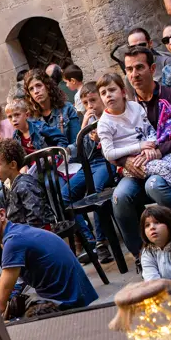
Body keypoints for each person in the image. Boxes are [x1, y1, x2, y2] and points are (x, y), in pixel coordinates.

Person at [113, 46, 171, 259]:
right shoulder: (124, 107)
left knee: (156, 185)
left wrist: (160, 151)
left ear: (152, 68)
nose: (134, 74)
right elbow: (110, 146)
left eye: (139, 67)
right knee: (120, 196)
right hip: (135, 167)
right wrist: (125, 161)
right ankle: (143, 257)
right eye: (129, 69)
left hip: (169, 163)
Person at [97, 71, 171, 225]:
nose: (108, 95)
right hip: (134, 162)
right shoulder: (104, 123)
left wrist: (151, 145)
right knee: (166, 168)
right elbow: (109, 153)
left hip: (150, 153)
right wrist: (139, 147)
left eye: (112, 90)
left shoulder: (135, 107)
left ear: (124, 92)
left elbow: (150, 130)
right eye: (103, 93)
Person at [0, 196, 97, 318]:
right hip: (74, 296)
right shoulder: (15, 233)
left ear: (1, 215)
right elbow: (5, 281)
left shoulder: (13, 242)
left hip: (67, 304)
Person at [63, 84, 115, 264]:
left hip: (107, 163)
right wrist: (84, 126)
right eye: (86, 103)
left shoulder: (109, 116)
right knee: (65, 194)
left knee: (96, 190)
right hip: (89, 165)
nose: (90, 106)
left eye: (93, 100)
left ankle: (102, 241)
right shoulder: (87, 122)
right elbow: (79, 153)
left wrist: (101, 137)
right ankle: (88, 239)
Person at [0, 139, 53, 229]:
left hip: (36, 235)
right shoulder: (9, 185)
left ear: (12, 165)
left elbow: (37, 221)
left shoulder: (25, 186)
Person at [24, 69, 80, 150]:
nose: (36, 91)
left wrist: (63, 153)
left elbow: (77, 142)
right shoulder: (31, 119)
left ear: (47, 86)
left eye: (39, 85)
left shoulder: (67, 109)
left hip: (70, 158)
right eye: (31, 89)